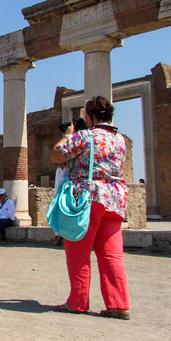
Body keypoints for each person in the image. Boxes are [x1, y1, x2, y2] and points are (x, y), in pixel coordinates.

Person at [50, 95, 130, 320]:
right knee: (112, 254)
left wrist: (68, 135)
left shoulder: (85, 137)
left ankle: (78, 301)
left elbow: (57, 154)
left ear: (90, 115)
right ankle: (118, 304)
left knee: (78, 252)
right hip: (115, 199)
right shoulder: (120, 139)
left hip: (88, 199)